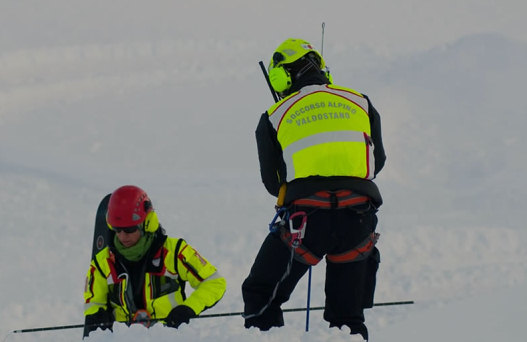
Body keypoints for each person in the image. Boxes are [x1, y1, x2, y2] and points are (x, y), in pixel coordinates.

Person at [241, 38, 386, 341]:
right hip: (359, 219)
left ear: (281, 76)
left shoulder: (274, 115)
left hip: (306, 222)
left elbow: (273, 183)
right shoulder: (361, 102)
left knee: (261, 294)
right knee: (347, 318)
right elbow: (378, 161)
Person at [83, 185, 227, 338]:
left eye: (130, 230)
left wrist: (189, 308)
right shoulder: (101, 263)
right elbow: (93, 303)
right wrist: (97, 317)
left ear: (148, 223)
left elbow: (214, 282)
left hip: (170, 337)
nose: (123, 236)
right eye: (118, 230)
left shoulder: (175, 251)